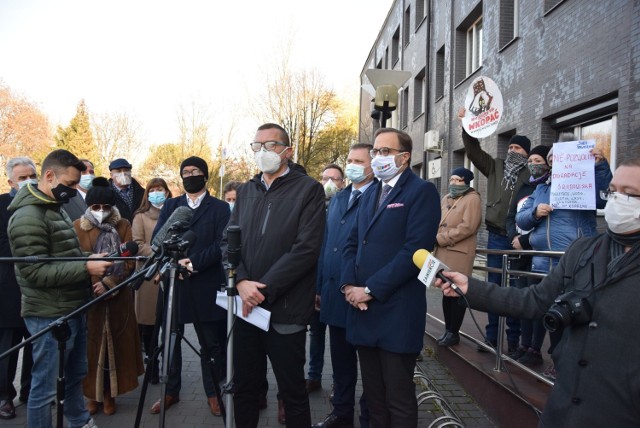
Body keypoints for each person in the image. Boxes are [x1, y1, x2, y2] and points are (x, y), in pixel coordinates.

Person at [435, 158, 640, 428]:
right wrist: (470, 287)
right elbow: (533, 301)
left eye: (630, 194)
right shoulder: (584, 251)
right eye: (612, 191)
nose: (617, 200)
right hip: (563, 410)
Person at [222, 123, 326, 427]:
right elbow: (228, 241)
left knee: (292, 391)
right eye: (258, 146)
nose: (263, 152)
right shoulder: (247, 190)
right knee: (244, 388)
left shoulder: (308, 189)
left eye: (271, 145)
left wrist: (262, 289)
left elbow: (305, 250)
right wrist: (240, 280)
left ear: (287, 151)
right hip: (246, 308)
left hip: (286, 310)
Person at [341, 128, 440, 427]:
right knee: (374, 397)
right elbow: (352, 243)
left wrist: (369, 289)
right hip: (363, 310)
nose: (377, 157)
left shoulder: (421, 192)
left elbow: (415, 251)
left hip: (397, 311)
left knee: (398, 398)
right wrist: (348, 286)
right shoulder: (370, 192)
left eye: (385, 151)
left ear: (404, 156)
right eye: (376, 152)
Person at [7, 149, 112, 428]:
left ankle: (78, 420)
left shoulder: (55, 208)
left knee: (75, 375)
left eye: (76, 184)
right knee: (45, 387)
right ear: (50, 176)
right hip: (48, 313)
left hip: (72, 307)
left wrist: (87, 258)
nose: (73, 190)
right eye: (68, 185)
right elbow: (33, 272)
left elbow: (65, 254)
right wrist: (84, 268)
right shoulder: (28, 216)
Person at [515, 139, 612, 370]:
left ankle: (565, 366)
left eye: (557, 159)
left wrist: (599, 166)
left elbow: (603, 197)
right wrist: (536, 213)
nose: (554, 163)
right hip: (542, 263)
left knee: (571, 315)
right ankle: (554, 360)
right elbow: (522, 218)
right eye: (551, 160)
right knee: (548, 314)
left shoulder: (584, 184)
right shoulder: (542, 188)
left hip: (574, 263)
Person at [150, 156, 230, 417]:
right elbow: (158, 239)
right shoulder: (172, 205)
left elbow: (221, 245)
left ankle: (212, 393)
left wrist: (192, 262)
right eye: (186, 171)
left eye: (196, 171)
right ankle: (171, 390)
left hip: (204, 282)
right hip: (176, 284)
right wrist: (174, 262)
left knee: (210, 345)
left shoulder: (219, 208)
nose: (190, 175)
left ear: (205, 176)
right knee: (171, 339)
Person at [458, 107, 530, 354]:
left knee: (515, 290)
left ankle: (513, 339)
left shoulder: (531, 173)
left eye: (517, 148)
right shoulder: (496, 167)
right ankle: (491, 338)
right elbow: (474, 151)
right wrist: (468, 125)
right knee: (494, 287)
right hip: (496, 237)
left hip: (518, 240)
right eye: (510, 147)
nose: (512, 151)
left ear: (526, 153)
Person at [313, 144, 375, 428]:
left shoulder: (379, 196)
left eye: (358, 161)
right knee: (341, 363)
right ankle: (341, 414)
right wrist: (319, 287)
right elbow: (326, 244)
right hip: (334, 293)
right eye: (349, 160)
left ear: (373, 164)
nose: (352, 165)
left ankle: (369, 416)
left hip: (363, 297)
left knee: (370, 367)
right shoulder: (339, 198)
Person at [73, 177, 144, 416]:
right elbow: (76, 260)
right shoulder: (77, 227)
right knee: (89, 350)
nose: (101, 211)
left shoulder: (123, 225)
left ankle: (109, 394)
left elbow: (128, 260)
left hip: (117, 297)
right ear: (89, 207)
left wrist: (109, 283)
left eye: (106, 207)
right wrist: (95, 283)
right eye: (96, 207)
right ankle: (91, 395)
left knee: (115, 348)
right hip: (88, 299)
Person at [0, 157, 36, 420]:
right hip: (8, 289)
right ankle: (4, 396)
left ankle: (30, 391)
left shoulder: (42, 204)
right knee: (7, 347)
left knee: (35, 344)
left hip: (38, 289)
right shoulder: (1, 205)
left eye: (31, 176)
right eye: (22, 178)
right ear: (11, 181)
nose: (27, 182)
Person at [306, 163, 346, 395]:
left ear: (342, 183)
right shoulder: (313, 207)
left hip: (337, 281)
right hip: (315, 281)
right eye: (324, 178)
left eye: (334, 178)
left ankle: (338, 383)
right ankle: (313, 376)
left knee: (339, 337)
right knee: (316, 332)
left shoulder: (348, 206)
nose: (329, 182)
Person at [434, 167, 482, 347]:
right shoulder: (446, 198)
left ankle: (454, 332)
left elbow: (468, 227)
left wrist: (442, 238)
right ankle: (448, 330)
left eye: (458, 180)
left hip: (459, 252)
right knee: (446, 293)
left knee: (457, 293)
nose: (453, 183)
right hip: (443, 251)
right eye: (452, 179)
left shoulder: (472, 199)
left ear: (466, 182)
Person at [131, 178, 173, 385]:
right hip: (149, 275)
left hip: (172, 273)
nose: (157, 193)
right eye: (153, 190)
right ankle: (153, 367)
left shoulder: (175, 212)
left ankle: (170, 368)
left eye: (160, 189)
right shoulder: (140, 216)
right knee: (149, 326)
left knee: (171, 325)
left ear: (167, 192)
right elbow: (138, 244)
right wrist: (161, 252)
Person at [108, 158, 144, 223]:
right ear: (111, 175)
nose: (123, 174)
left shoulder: (142, 192)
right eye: (119, 171)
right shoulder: (105, 194)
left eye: (126, 170)